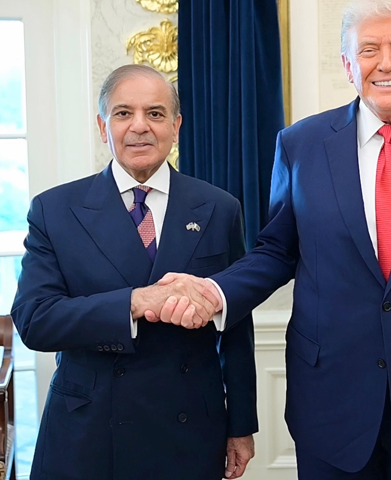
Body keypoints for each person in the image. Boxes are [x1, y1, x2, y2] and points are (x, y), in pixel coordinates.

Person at [148, 0, 391, 478]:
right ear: (348, 65)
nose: (385, 62)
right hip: (330, 401)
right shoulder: (300, 144)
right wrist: (214, 291)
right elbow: (277, 251)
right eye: (368, 50)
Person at [12, 64, 258, 480]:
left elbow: (235, 325)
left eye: (155, 113)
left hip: (189, 432)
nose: (139, 126)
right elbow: (36, 321)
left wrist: (241, 425)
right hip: (88, 433)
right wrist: (135, 302)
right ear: (102, 126)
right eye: (123, 113)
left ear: (176, 127)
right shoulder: (54, 210)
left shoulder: (219, 208)